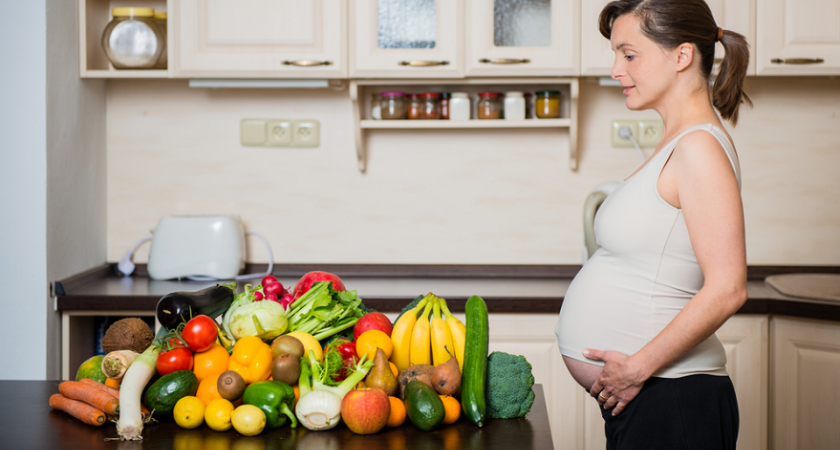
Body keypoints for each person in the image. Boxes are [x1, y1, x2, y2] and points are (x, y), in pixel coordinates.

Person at [554, 0, 752, 448]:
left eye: (629, 54)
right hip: (653, 400)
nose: (616, 70)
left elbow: (728, 287)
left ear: (681, 56)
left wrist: (637, 367)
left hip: (674, 400)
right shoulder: (681, 142)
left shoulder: (699, 147)